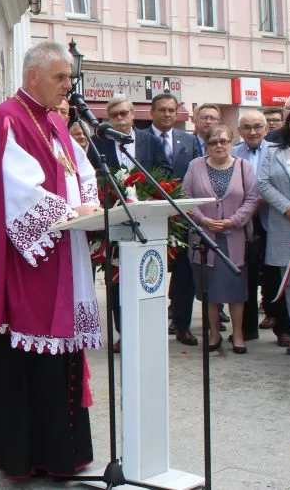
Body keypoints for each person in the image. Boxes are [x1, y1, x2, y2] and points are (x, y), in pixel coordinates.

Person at [0, 41, 101, 480]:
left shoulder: (55, 122)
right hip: (29, 262)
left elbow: (82, 170)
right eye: (60, 77)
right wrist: (66, 212)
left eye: (69, 77)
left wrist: (89, 205)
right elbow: (16, 191)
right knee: (31, 356)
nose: (67, 86)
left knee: (60, 356)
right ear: (33, 75)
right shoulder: (7, 119)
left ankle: (62, 452)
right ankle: (28, 453)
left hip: (64, 253)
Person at [94, 95, 170, 350]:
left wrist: (148, 192)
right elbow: (93, 178)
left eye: (124, 113)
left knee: (148, 274)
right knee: (117, 279)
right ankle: (124, 333)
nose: (120, 119)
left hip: (147, 219)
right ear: (108, 117)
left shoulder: (150, 140)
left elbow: (164, 170)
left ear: (133, 114)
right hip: (115, 219)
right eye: (114, 115)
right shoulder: (98, 143)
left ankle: (148, 331)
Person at [184, 124, 259, 353]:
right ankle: (214, 334)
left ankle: (237, 335)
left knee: (236, 291)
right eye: (213, 142)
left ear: (231, 143)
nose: (219, 146)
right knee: (210, 291)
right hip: (204, 237)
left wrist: (234, 220)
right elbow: (184, 196)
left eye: (224, 141)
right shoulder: (195, 165)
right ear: (206, 145)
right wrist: (203, 220)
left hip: (234, 238)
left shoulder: (243, 166)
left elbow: (252, 199)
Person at [257, 102, 290, 354]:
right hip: (281, 224)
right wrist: (288, 208)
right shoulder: (273, 151)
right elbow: (263, 183)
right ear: (289, 122)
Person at [150, 93, 202, 345]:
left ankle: (182, 325)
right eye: (162, 109)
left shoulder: (189, 141)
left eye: (171, 110)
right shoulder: (140, 139)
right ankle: (143, 327)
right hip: (149, 215)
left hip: (182, 217)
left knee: (185, 272)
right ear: (152, 113)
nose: (167, 114)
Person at [233, 110, 271, 341]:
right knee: (244, 273)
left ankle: (281, 326)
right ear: (239, 131)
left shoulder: (277, 152)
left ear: (266, 129)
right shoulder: (234, 152)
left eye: (258, 126)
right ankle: (247, 329)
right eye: (247, 127)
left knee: (272, 273)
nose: (253, 131)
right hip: (242, 220)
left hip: (272, 217)